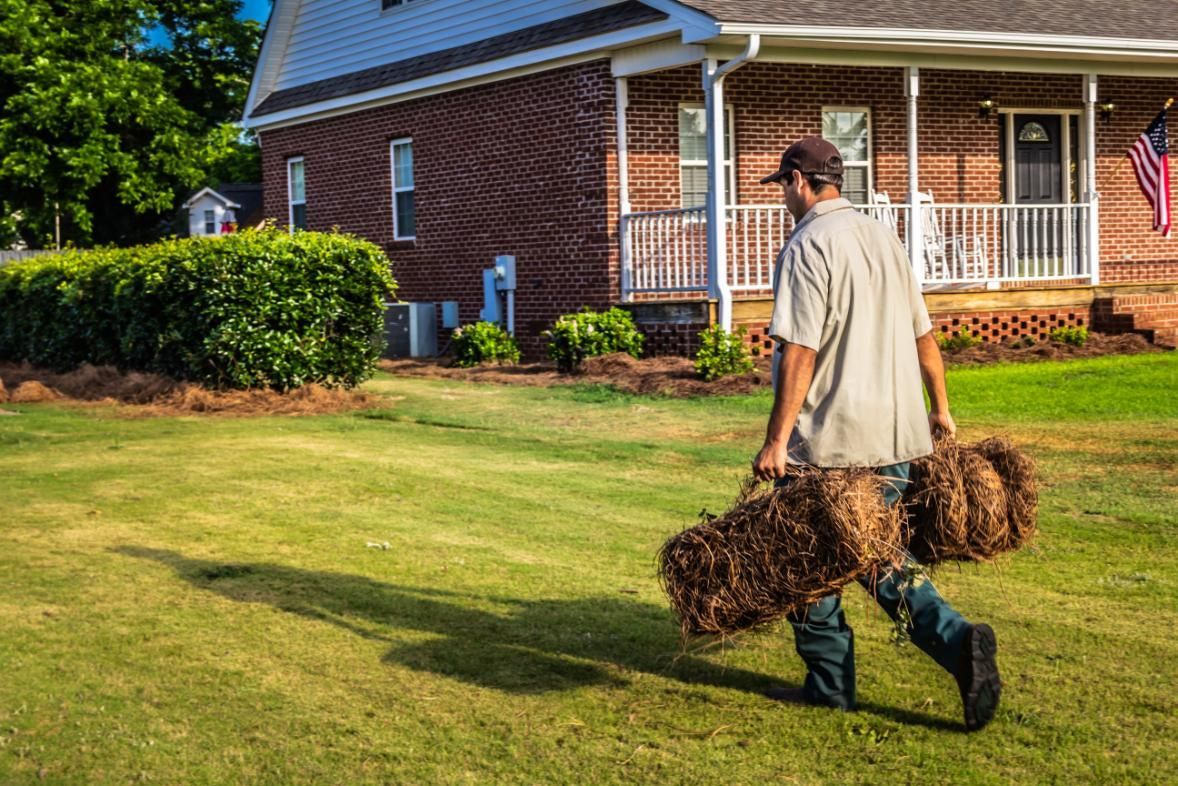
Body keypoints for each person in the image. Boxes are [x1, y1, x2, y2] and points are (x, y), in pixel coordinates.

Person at [751, 137, 1000, 732]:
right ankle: (957, 641)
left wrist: (777, 441)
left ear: (798, 180)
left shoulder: (808, 244)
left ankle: (831, 689)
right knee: (878, 553)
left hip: (834, 441)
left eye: (783, 184)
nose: (783, 196)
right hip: (897, 436)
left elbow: (800, 352)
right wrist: (939, 408)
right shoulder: (884, 238)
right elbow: (924, 334)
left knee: (806, 561)